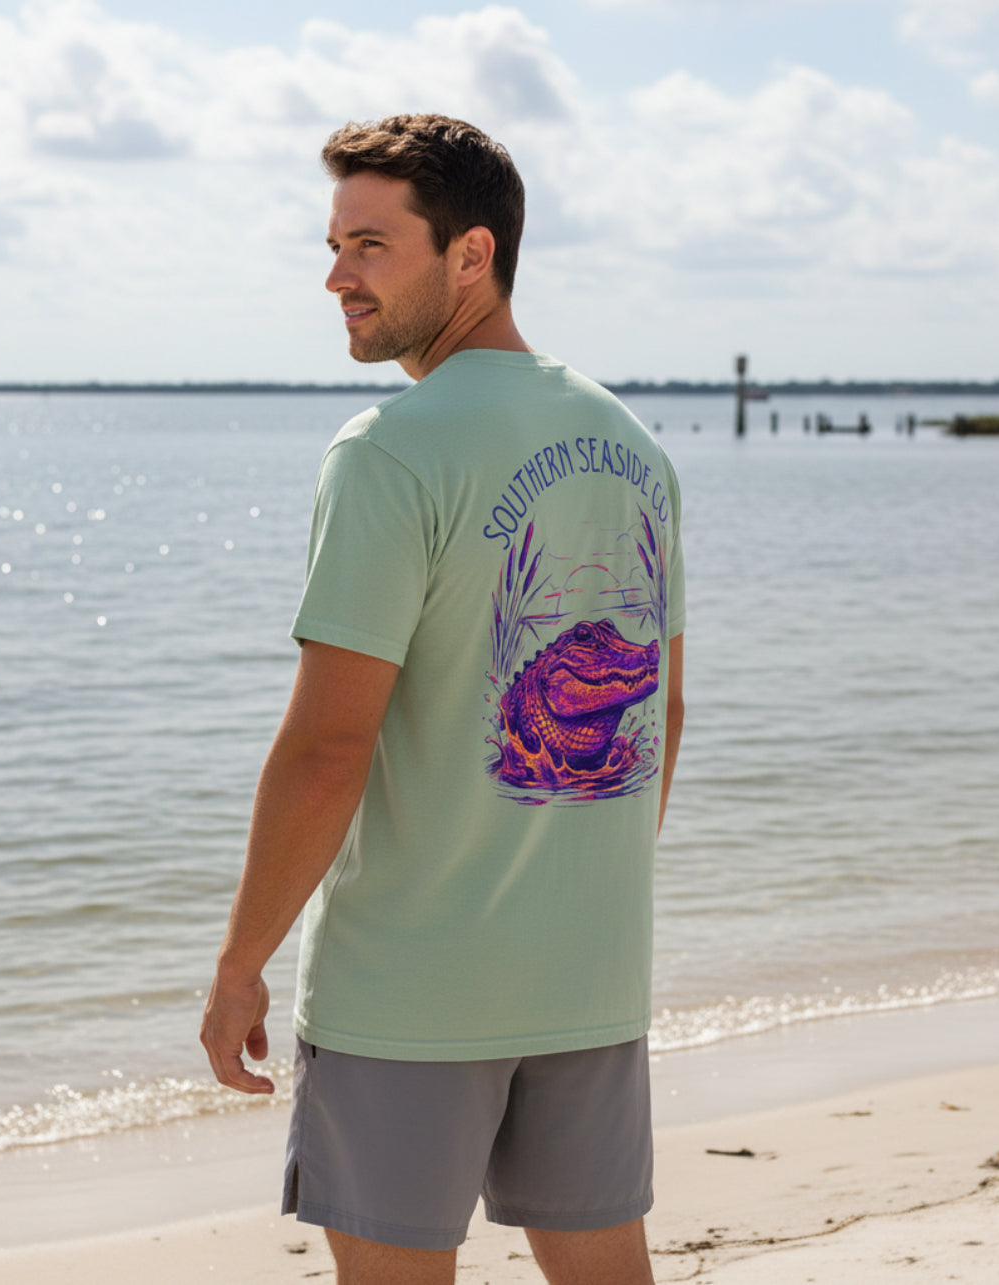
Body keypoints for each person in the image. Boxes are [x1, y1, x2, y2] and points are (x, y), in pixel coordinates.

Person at [200, 113, 685, 1285]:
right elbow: (657, 716)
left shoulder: (389, 452)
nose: (336, 276)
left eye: (370, 244)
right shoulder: (630, 444)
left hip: (409, 990)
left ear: (471, 254)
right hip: (589, 972)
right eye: (332, 244)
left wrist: (240, 960)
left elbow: (327, 746)